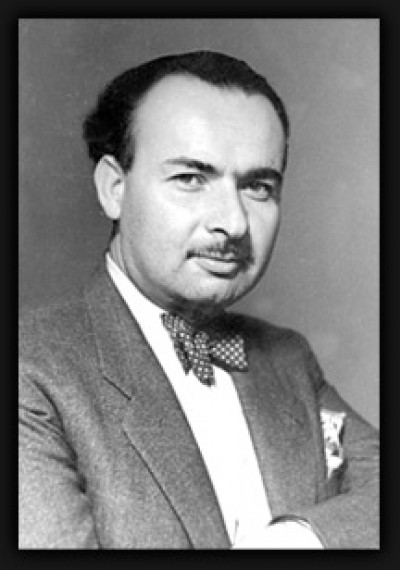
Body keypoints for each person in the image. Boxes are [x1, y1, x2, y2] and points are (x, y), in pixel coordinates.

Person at [19, 50, 379, 549]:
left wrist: (296, 539)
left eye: (258, 187)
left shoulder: (288, 358)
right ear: (114, 188)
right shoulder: (30, 367)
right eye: (190, 178)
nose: (232, 222)